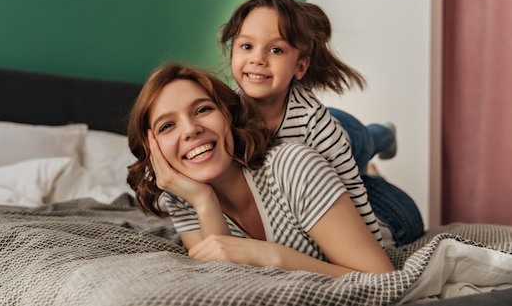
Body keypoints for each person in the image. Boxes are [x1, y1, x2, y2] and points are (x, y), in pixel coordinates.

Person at [126, 63, 395, 277]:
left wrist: (270, 256)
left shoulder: (295, 165)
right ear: (152, 149)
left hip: (387, 212)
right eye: (167, 126)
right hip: (320, 196)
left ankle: (383, 137)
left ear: (228, 116)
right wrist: (203, 200)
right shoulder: (183, 197)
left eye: (203, 109)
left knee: (358, 138)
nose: (190, 129)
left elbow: (380, 277)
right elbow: (223, 277)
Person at [218, 0, 423, 247]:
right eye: (247, 46)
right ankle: (373, 168)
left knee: (367, 142)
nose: (257, 59)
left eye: (276, 50)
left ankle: (385, 133)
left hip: (345, 135)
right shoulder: (224, 111)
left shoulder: (315, 123)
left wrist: (372, 250)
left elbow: (353, 190)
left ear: (300, 67)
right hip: (318, 146)